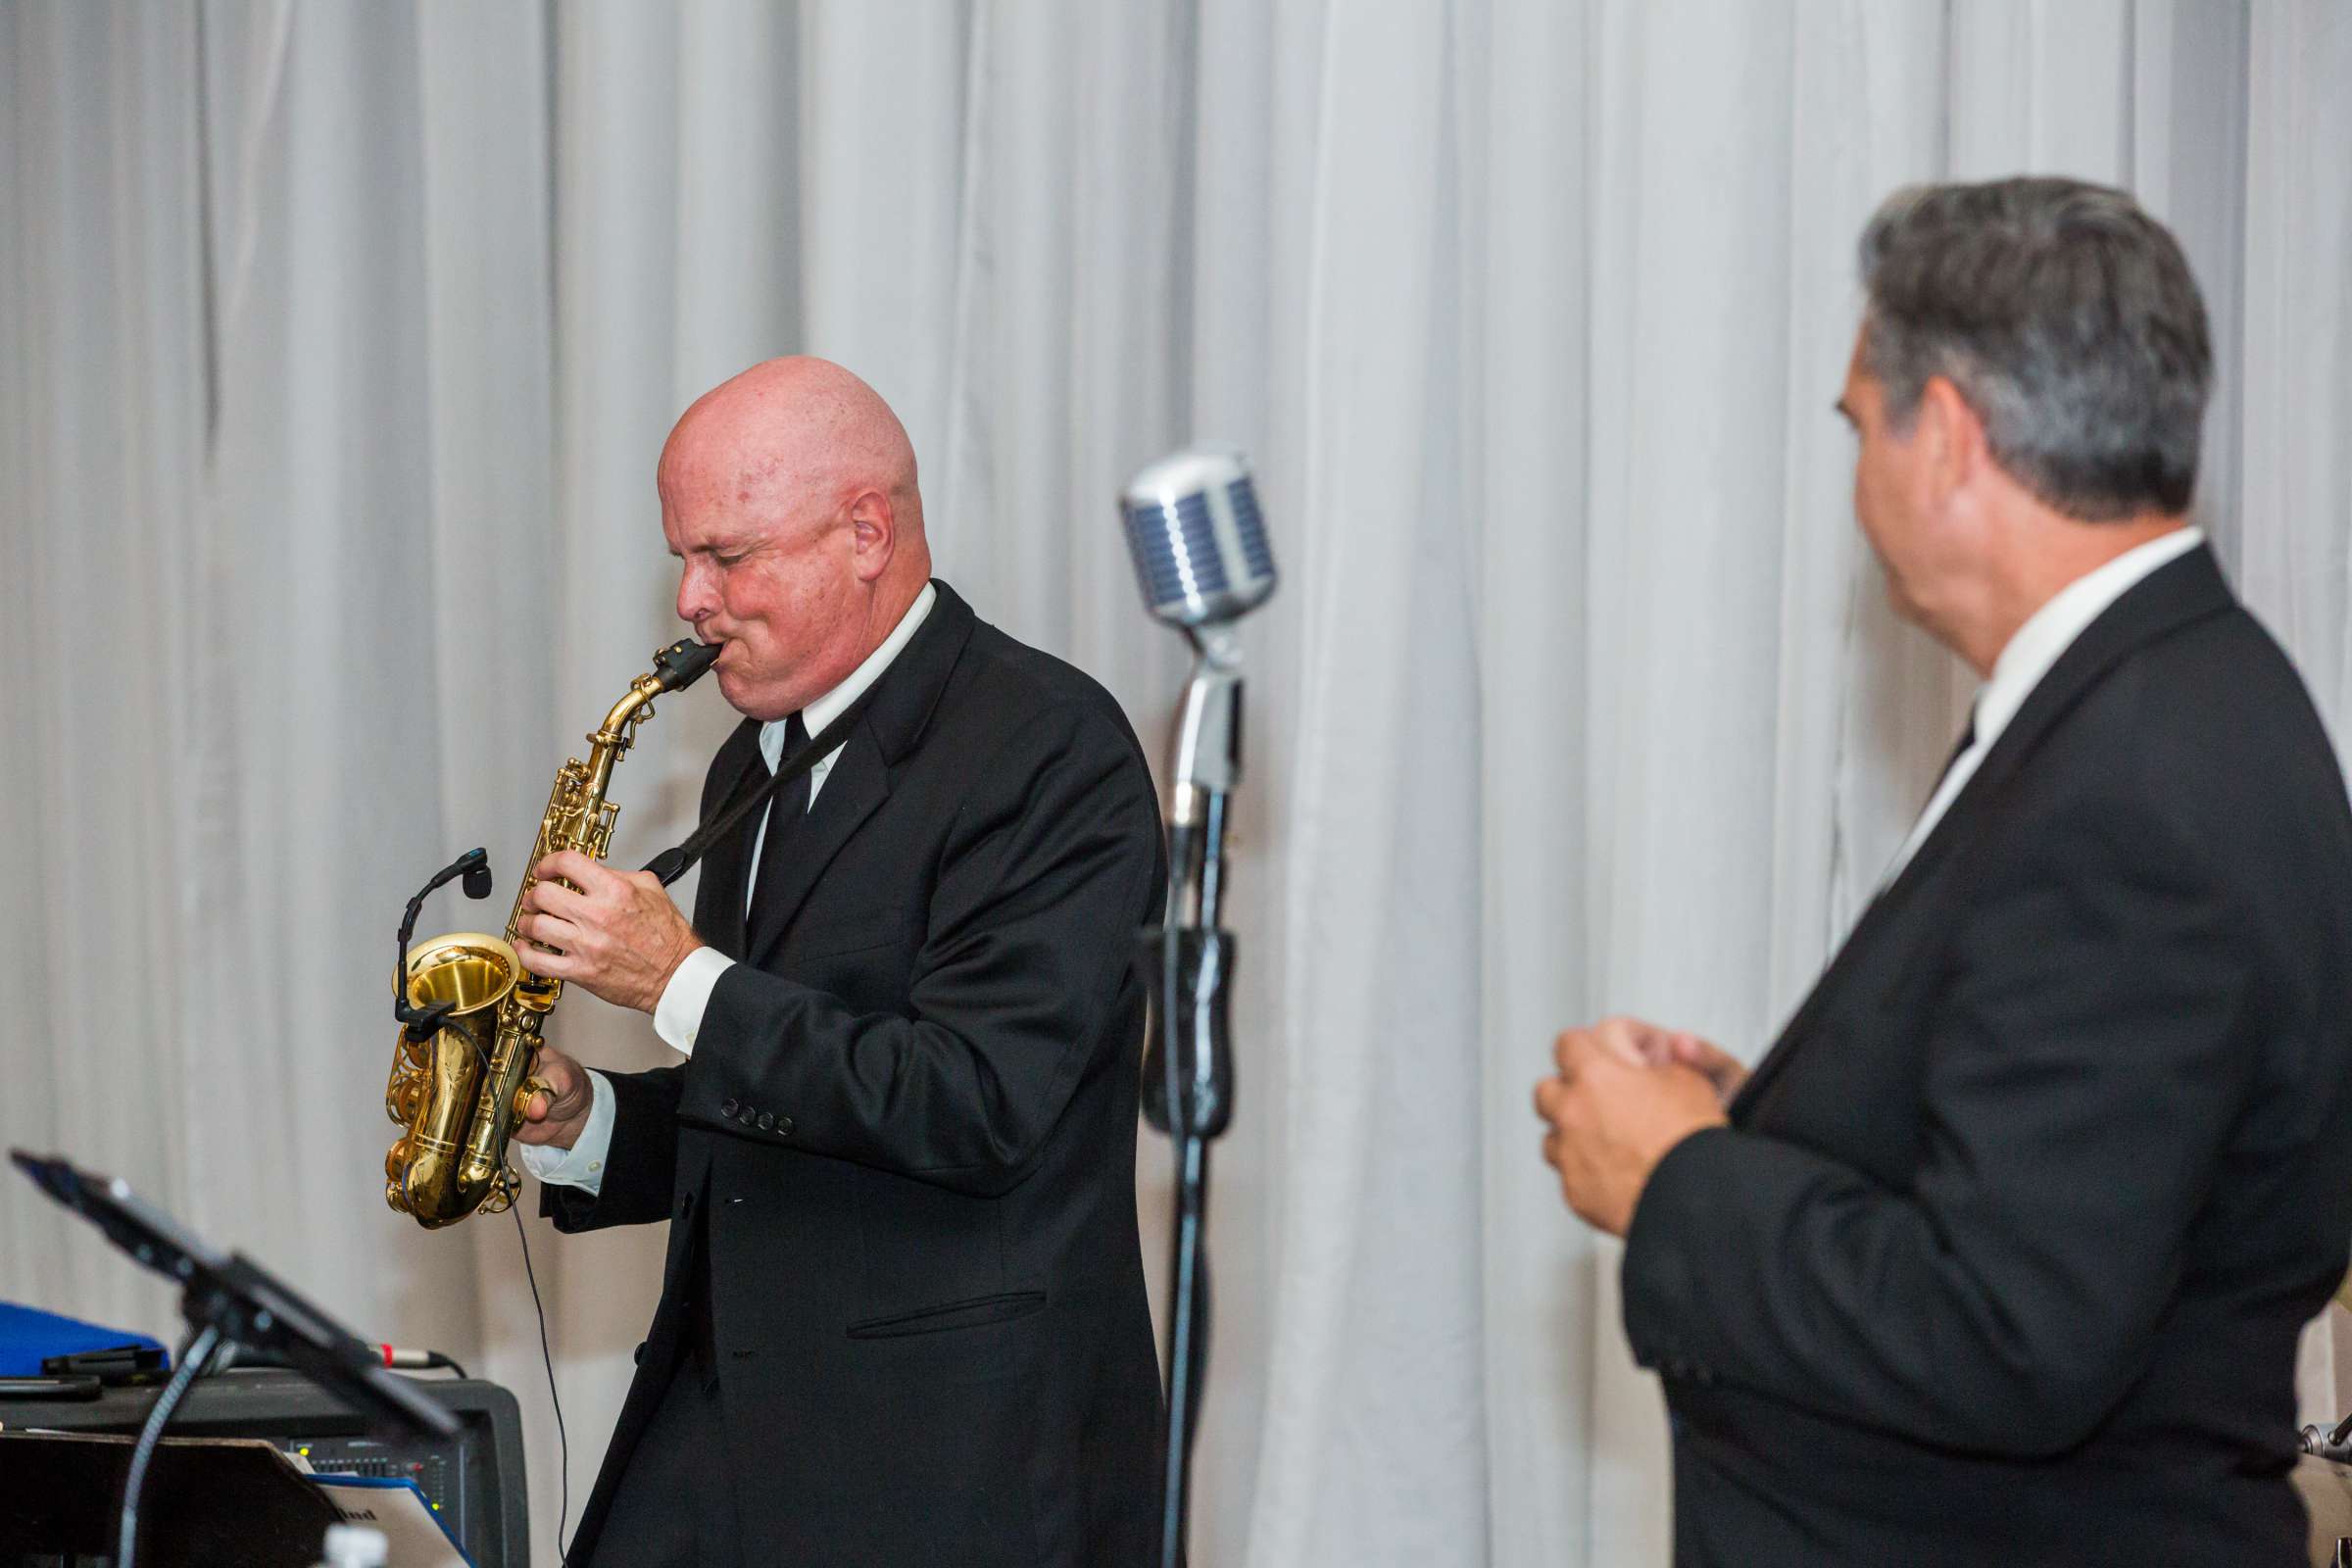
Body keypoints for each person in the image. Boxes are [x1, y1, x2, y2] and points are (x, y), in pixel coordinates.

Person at [1533, 177, 2352, 1566]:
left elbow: (2009, 1333)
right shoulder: (2161, 693)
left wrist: (1677, 1179)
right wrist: (1773, 1123)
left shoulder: (2135, 780)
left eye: (1861, 425)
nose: (1855, 475)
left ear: (1949, 440)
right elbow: (2076, 1172)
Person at [508, 357, 1166, 1567]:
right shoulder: (749, 763)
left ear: (867, 532)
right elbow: (785, 1119)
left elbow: (974, 1100)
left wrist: (676, 980)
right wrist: (588, 1120)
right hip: (727, 1435)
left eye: (729, 556)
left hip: (944, 1462)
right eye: (681, 561)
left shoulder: (1046, 747)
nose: (692, 602)